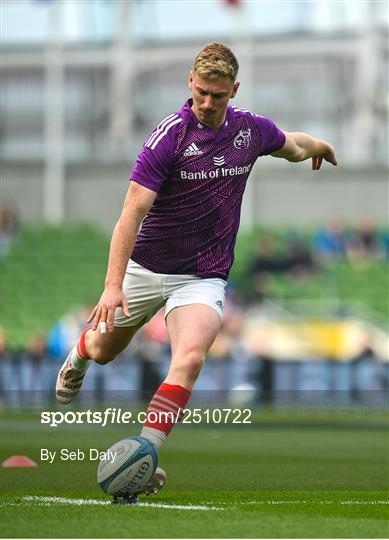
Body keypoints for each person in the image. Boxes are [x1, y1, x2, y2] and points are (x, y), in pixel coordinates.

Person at [56, 42, 337, 496]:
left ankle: (145, 452)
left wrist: (318, 144)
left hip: (203, 276)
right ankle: (80, 354)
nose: (208, 103)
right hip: (146, 268)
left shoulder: (251, 131)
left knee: (189, 358)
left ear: (234, 90)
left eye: (218, 95)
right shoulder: (169, 136)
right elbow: (131, 211)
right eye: (202, 92)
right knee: (106, 349)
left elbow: (292, 144)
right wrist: (112, 287)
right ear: (190, 83)